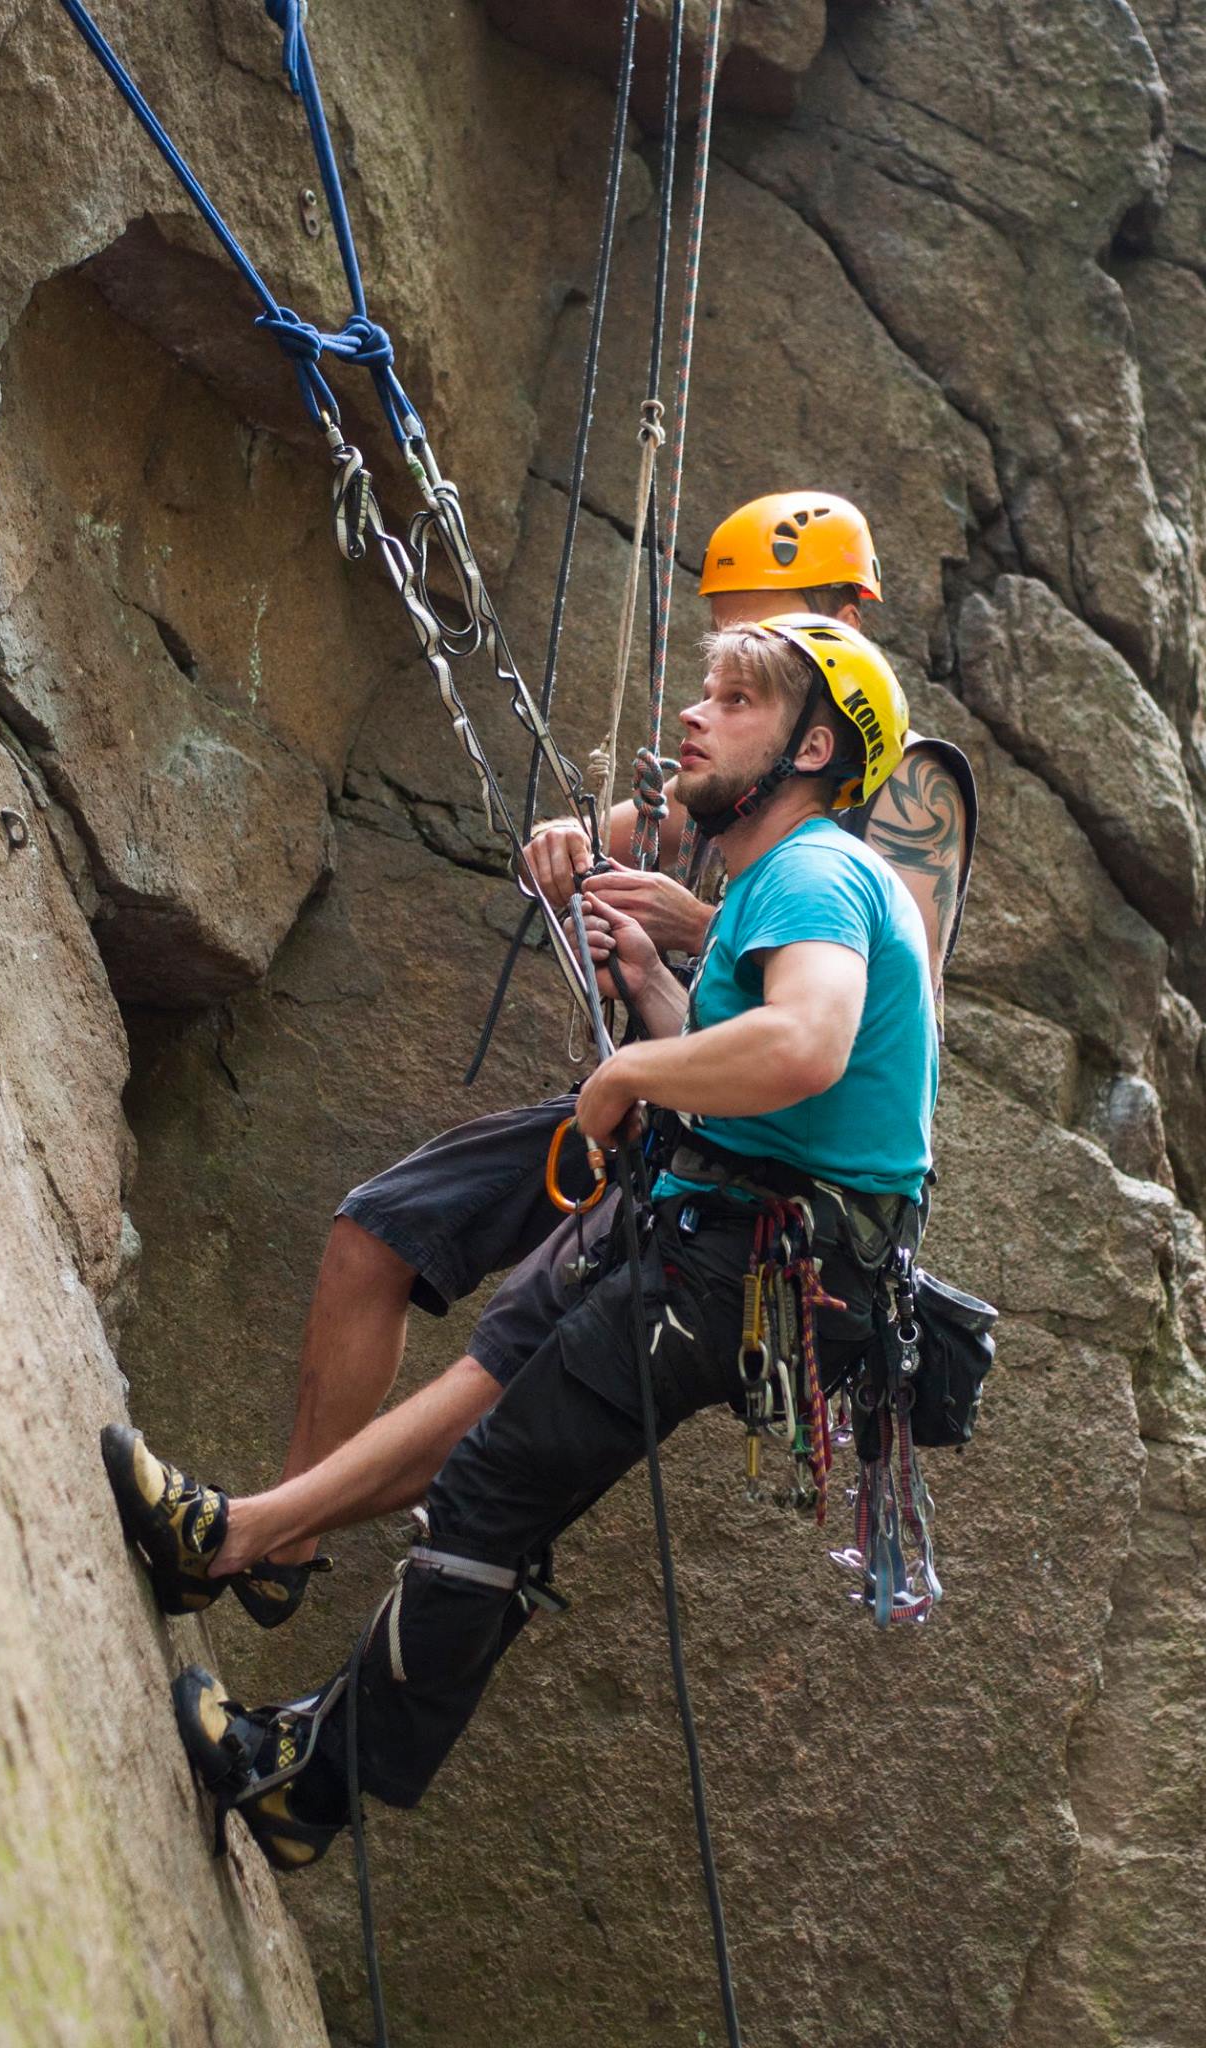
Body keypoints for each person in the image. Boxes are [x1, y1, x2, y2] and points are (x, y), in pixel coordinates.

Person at [104, 613, 939, 1869]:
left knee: (491, 1492)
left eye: (735, 700)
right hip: (717, 1235)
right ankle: (239, 1537)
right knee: (488, 1396)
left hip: (735, 1265)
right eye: (701, 690)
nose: (694, 716)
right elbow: (794, 1083)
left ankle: (306, 1788)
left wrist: (628, 1075)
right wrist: (653, 978)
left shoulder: (815, 871)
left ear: (813, 745)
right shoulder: (783, 878)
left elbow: (808, 1044)